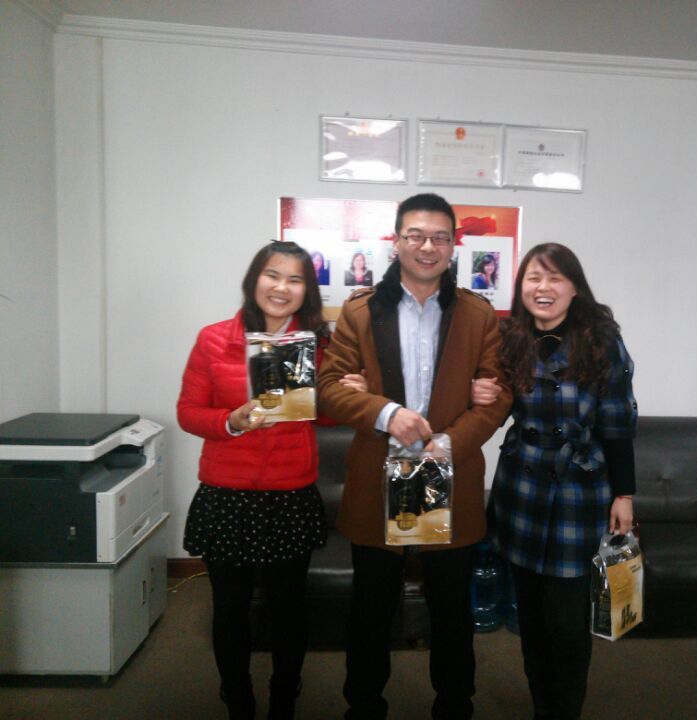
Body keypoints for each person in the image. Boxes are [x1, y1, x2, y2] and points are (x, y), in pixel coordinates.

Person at [317, 193, 513, 720]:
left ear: (453, 246)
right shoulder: (360, 311)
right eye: (417, 236)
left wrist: (448, 444)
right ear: (396, 241)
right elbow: (329, 388)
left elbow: (498, 396)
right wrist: (385, 413)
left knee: (451, 611)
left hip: (451, 477)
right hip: (377, 480)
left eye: (440, 238)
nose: (428, 247)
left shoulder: (478, 314)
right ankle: (363, 707)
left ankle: (454, 706)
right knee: (371, 610)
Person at [177, 240, 365, 720]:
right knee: (230, 608)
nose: (281, 288)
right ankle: (237, 696)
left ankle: (285, 694)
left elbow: (326, 419)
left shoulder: (319, 347)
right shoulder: (213, 339)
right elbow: (188, 412)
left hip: (289, 493)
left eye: (294, 279)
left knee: (288, 607)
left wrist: (346, 393)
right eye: (272, 275)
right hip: (226, 494)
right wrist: (230, 420)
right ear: (254, 280)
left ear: (306, 291)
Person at [486, 242, 638, 720]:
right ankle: (541, 708)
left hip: (579, 490)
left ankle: (565, 711)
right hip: (521, 490)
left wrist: (624, 494)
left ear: (575, 288)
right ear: (521, 287)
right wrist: (480, 392)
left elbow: (618, 422)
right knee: (530, 620)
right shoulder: (508, 337)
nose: (543, 287)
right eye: (534, 277)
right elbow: (492, 407)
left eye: (555, 278)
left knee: (568, 624)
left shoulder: (600, 340)